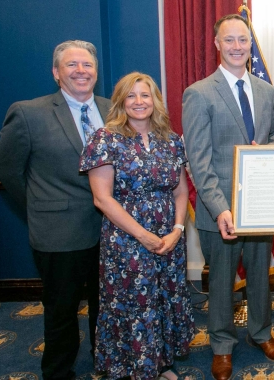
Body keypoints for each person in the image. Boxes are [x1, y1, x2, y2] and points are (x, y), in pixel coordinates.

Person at [0, 40, 108, 379]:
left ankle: (105, 359)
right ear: (57, 73)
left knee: (108, 305)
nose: (81, 71)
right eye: (71, 65)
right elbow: (7, 168)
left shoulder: (113, 108)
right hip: (58, 232)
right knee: (62, 310)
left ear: (96, 72)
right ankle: (58, 371)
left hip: (111, 228)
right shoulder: (29, 112)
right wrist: (42, 206)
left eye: (87, 65)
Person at [182, 14, 274, 380]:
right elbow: (198, 159)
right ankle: (222, 345)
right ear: (217, 44)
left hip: (260, 205)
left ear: (249, 45)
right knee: (222, 282)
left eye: (243, 40)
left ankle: (261, 333)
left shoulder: (265, 90)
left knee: (260, 275)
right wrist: (220, 208)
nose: (237, 47)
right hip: (219, 210)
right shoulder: (198, 93)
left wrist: (267, 150)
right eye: (230, 40)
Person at [79, 72, 194, 380]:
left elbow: (180, 190)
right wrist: (143, 236)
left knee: (164, 298)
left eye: (145, 95)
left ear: (155, 101)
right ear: (121, 101)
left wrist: (178, 230)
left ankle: (160, 362)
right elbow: (102, 199)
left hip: (169, 239)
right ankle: (134, 367)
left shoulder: (170, 140)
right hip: (127, 242)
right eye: (131, 96)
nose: (139, 102)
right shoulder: (105, 138)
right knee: (134, 304)